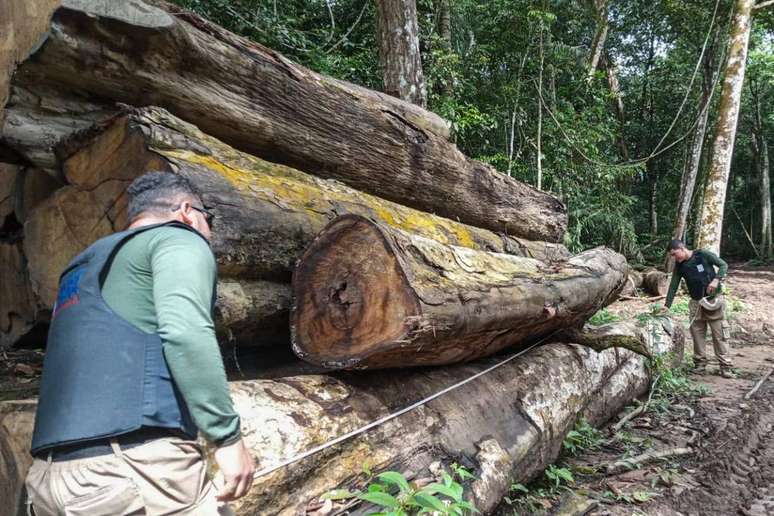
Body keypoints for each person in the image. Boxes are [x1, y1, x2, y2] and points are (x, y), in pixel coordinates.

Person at [26, 171, 255, 515]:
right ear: (187, 211)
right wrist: (227, 437)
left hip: (46, 480)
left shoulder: (82, 265)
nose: (209, 233)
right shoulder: (177, 239)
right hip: (135, 472)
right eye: (211, 221)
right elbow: (185, 331)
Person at [664, 239, 734, 378]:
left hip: (713, 300)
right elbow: (673, 286)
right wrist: (667, 305)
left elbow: (723, 265)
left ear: (682, 248)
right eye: (671, 255)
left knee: (719, 334)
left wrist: (716, 280)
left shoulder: (702, 254)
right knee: (697, 335)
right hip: (696, 303)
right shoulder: (680, 266)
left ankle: (725, 366)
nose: (674, 257)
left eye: (674, 254)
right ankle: (700, 364)